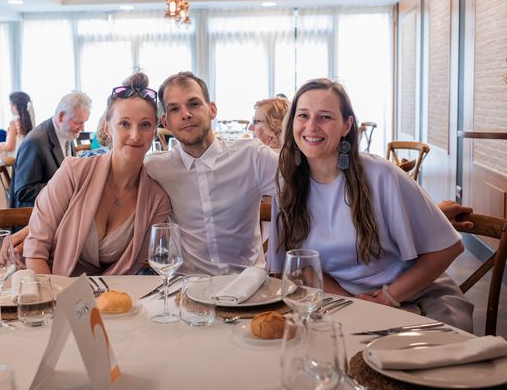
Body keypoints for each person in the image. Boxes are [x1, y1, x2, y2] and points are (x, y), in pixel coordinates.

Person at [267, 78, 473, 331]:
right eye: (303, 115)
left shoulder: (380, 174)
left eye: (325, 117)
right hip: (339, 301)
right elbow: (304, 268)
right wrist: (355, 304)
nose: (311, 126)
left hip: (417, 293)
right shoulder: (288, 185)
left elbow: (449, 247)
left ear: (346, 125)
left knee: (430, 362)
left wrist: (388, 297)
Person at [23, 73, 171, 276]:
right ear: (107, 128)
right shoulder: (73, 172)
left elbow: (132, 269)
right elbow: (35, 249)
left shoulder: (157, 202)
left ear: (154, 130)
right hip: (49, 284)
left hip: (110, 298)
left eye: (145, 125)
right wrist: (58, 301)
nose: (135, 135)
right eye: (124, 124)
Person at [144, 72, 279, 274]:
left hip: (248, 287)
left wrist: (280, 258)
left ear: (212, 109)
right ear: (166, 121)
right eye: (174, 109)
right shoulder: (155, 168)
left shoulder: (252, 156)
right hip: (186, 289)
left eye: (194, 104)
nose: (185, 114)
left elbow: (302, 187)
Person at [10, 91, 91, 209]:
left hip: (59, 209)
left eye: (84, 122)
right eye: (78, 122)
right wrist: (66, 185)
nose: (82, 128)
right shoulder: (35, 142)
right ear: (61, 116)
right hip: (33, 218)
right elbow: (23, 192)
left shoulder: (67, 132)